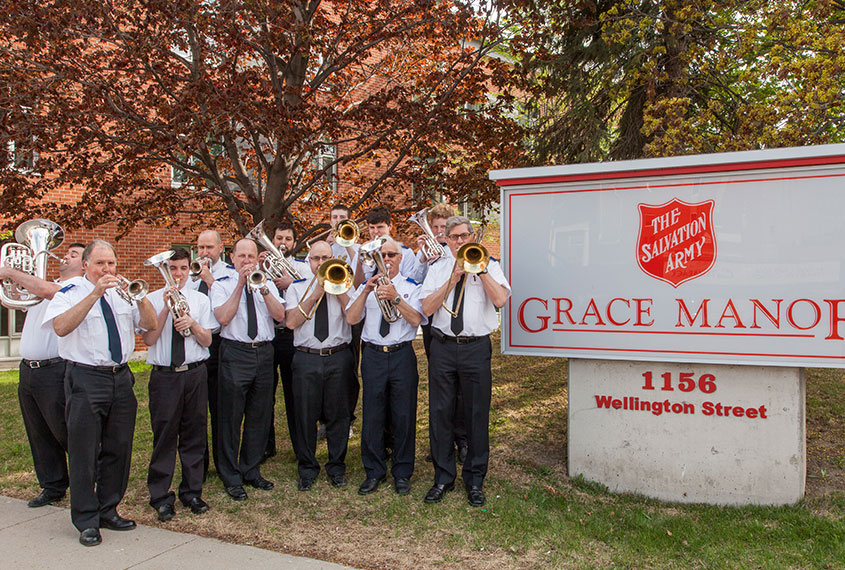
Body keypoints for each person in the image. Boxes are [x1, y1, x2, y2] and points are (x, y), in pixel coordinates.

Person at [43, 239, 157, 546]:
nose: (106, 269)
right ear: (85, 265)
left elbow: (149, 325)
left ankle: (108, 510)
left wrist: (141, 298)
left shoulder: (123, 294)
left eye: (111, 264)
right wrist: (95, 294)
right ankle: (86, 519)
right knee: (84, 451)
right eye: (99, 264)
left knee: (119, 448)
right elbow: (60, 327)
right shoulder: (70, 292)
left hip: (120, 378)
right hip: (84, 378)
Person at [420, 216, 510, 508]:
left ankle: (474, 480)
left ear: (473, 237)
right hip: (443, 346)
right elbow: (427, 308)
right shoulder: (438, 269)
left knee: (476, 415)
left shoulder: (491, 263)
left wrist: (480, 270)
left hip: (475, 348)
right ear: (445, 239)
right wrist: (454, 277)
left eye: (464, 236)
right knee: (441, 413)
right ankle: (443, 478)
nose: (460, 242)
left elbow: (500, 301)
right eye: (454, 237)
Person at [0, 242, 85, 508]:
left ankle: (88, 482)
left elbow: (47, 291)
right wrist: (10, 282)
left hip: (55, 368)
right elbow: (12, 302)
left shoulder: (74, 288)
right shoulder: (41, 284)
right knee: (38, 431)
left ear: (84, 265)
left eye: (73, 254)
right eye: (66, 252)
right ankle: (53, 485)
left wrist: (11, 272)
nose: (64, 256)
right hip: (28, 370)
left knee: (63, 429)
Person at [141, 247, 215, 521]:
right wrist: (164, 308)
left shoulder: (199, 300)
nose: (178, 274)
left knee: (194, 433)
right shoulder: (149, 299)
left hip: (194, 373)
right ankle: (160, 496)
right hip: (165, 376)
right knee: (164, 436)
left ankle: (192, 492)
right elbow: (149, 339)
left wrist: (193, 323)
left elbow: (207, 340)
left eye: (183, 268)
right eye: (172, 268)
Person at [210, 238, 286, 501]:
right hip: (235, 352)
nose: (246, 261)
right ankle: (230, 475)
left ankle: (251, 469)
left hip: (264, 352)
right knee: (230, 417)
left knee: (259, 414)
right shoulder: (221, 285)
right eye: (241, 256)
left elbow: (279, 316)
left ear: (257, 258)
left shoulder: (266, 282)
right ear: (232, 258)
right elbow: (223, 318)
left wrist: (263, 289)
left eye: (250, 256)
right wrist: (241, 284)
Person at [346, 237, 423, 495]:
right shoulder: (367, 286)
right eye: (383, 255)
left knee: (403, 415)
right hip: (374, 355)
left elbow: (416, 321)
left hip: (402, 355)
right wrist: (366, 291)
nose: (387, 259)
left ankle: (402, 472)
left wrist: (396, 298)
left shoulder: (411, 286)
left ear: (400, 259)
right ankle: (374, 472)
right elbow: (351, 317)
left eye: (392, 255)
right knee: (372, 415)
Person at [285, 240, 354, 491]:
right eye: (316, 259)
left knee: (339, 415)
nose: (321, 263)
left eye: (326, 258)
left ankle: (336, 466)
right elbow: (291, 322)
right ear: (309, 262)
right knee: (305, 415)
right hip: (306, 357)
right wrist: (316, 291)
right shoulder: (296, 288)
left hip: (338, 355)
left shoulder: (344, 283)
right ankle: (307, 468)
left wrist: (338, 288)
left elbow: (354, 316)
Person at [413, 204, 468, 464]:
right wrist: (423, 258)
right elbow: (413, 280)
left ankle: (463, 439)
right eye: (434, 227)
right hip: (433, 325)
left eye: (442, 228)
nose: (437, 232)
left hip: (459, 323)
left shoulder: (462, 253)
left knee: (460, 390)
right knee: (441, 387)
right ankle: (441, 442)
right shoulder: (429, 255)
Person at [188, 230, 236, 479]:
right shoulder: (188, 274)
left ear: (221, 248)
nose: (204, 253)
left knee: (221, 408)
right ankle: (199, 464)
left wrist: (209, 280)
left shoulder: (230, 273)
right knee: (195, 411)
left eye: (209, 247)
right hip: (195, 343)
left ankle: (223, 463)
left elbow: (229, 307)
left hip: (219, 343)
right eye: (200, 247)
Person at [262, 221, 311, 461]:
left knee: (295, 395)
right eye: (279, 238)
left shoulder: (302, 267)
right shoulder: (264, 266)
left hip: (292, 336)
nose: (283, 243)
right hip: (270, 336)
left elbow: (311, 289)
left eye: (288, 239)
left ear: (294, 243)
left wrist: (290, 284)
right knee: (264, 394)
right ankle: (265, 445)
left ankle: (298, 447)